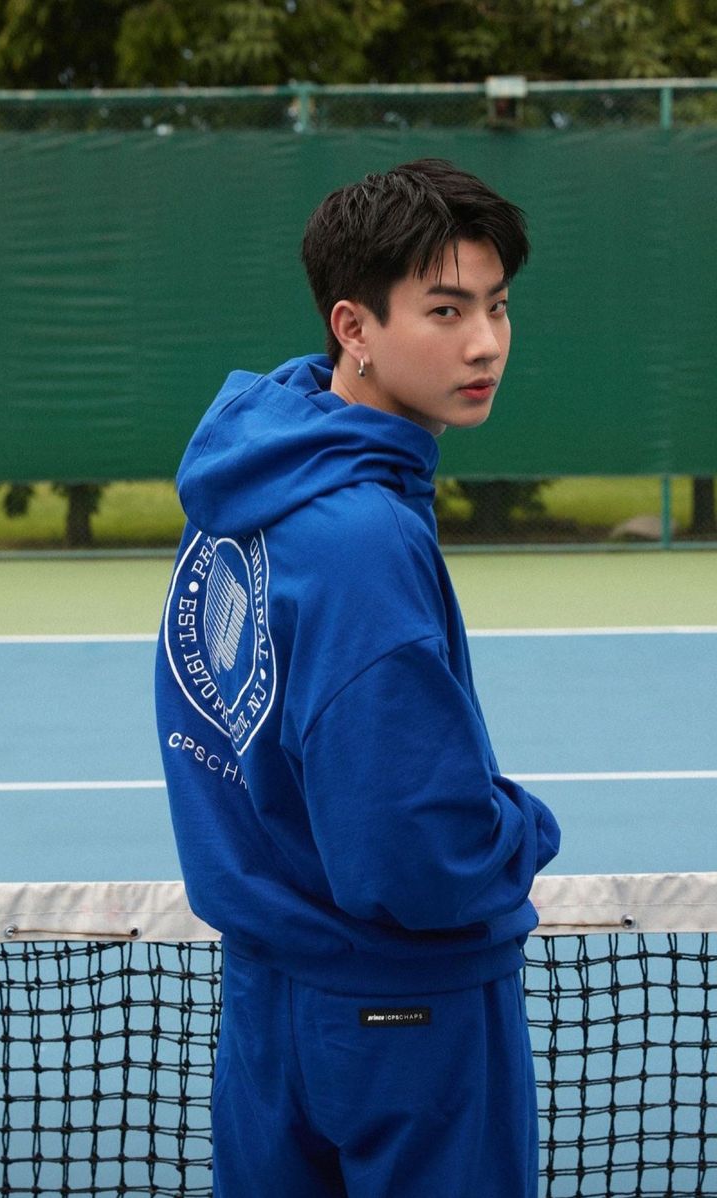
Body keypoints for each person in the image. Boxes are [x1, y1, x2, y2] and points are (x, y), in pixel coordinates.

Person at [155, 157, 561, 1198]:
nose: (485, 343)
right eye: (444, 309)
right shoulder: (361, 537)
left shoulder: (245, 483)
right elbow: (413, 852)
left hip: (271, 1008)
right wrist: (520, 829)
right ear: (354, 326)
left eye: (497, 306)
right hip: (406, 1018)